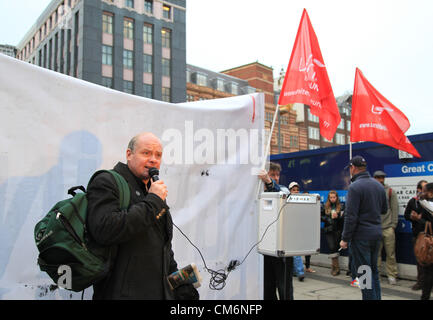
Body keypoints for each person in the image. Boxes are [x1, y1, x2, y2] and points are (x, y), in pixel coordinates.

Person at [86, 132, 199, 300]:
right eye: (146, 153)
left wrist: (182, 288)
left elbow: (164, 249)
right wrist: (153, 201)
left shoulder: (153, 192)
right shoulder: (107, 181)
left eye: (158, 155)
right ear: (129, 154)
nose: (153, 159)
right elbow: (105, 229)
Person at [339, 155, 388, 300]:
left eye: (350, 168)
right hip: (377, 234)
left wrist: (345, 239)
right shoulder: (378, 185)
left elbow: (351, 216)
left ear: (353, 168)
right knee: (373, 272)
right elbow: (384, 210)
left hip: (361, 237)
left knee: (364, 274)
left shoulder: (354, 187)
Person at [259, 162, 293, 300]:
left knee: (284, 286)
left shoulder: (282, 189)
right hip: (265, 248)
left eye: (277, 175)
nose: (276, 177)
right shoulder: (260, 192)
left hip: (282, 248)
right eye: (272, 174)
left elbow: (283, 196)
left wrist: (269, 181)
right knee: (267, 287)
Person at [373, 170, 399, 285]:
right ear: (374, 178)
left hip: (388, 228)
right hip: (375, 228)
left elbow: (395, 209)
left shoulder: (390, 191)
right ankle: (376, 274)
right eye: (378, 177)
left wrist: (393, 225)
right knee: (376, 254)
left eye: (382, 177)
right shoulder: (371, 191)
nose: (380, 180)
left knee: (391, 253)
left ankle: (392, 275)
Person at [404, 180, 428, 291]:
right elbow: (406, 215)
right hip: (417, 235)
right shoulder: (413, 202)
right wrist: (412, 217)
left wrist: (420, 219)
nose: (425, 191)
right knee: (420, 260)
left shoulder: (429, 202)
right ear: (418, 189)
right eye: (423, 188)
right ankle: (421, 282)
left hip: (429, 235)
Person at [321, 190, 345, 276]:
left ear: (337, 197)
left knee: (335, 247)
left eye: (334, 197)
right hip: (328, 229)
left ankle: (335, 267)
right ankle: (336, 268)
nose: (332, 199)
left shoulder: (341, 206)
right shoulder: (325, 206)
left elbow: (343, 219)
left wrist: (338, 217)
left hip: (338, 230)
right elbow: (320, 216)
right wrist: (328, 219)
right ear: (328, 198)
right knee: (332, 247)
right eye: (331, 197)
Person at [417, 182, 433, 300]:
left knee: (428, 273)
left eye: (424, 191)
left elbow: (421, 200)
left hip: (430, 244)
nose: (422, 193)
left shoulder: (426, 204)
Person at [288, 182, 306, 282]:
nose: (296, 191)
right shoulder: (286, 200)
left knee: (296, 252)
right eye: (294, 190)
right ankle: (297, 272)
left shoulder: (302, 201)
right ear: (290, 191)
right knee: (292, 253)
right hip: (289, 229)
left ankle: (299, 272)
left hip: (297, 230)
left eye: (297, 190)